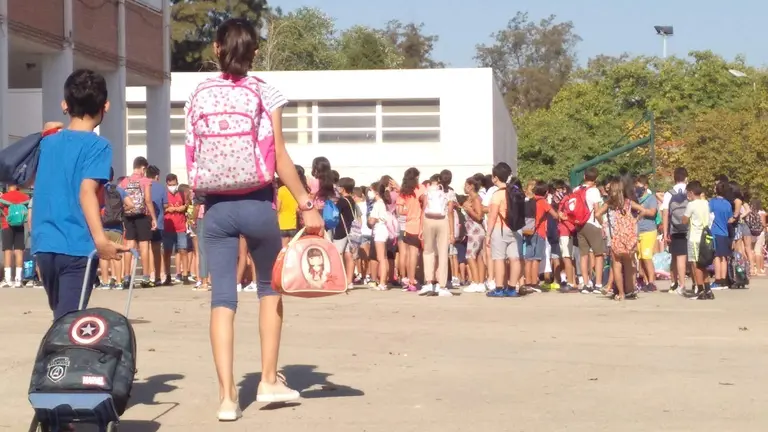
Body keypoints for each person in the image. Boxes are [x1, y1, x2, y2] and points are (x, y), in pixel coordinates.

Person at [184, 18, 323, 421]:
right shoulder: (266, 91)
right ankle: (267, 380)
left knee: (222, 299)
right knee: (269, 289)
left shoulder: (198, 93)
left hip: (217, 208)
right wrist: (304, 202)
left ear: (216, 49)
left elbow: (192, 149)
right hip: (260, 204)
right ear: (255, 51)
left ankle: (227, 398)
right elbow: (279, 155)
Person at [32, 68, 126, 319]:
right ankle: (59, 359)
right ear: (105, 105)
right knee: (67, 325)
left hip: (44, 245)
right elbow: (87, 192)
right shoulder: (99, 145)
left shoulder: (47, 141)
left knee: (61, 317)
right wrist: (100, 240)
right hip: (76, 247)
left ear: (66, 105)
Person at [485, 163, 523, 298]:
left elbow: (493, 216)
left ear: (495, 178)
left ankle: (499, 288)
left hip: (500, 229)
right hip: (515, 228)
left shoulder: (497, 195)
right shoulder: (514, 191)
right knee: (515, 259)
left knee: (499, 259)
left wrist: (488, 234)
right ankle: (512, 288)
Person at [119, 156, 157, 289]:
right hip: (142, 216)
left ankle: (127, 277)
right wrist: (153, 218)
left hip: (128, 216)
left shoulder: (124, 181)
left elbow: (120, 199)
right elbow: (147, 200)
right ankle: (146, 277)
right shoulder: (145, 181)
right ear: (143, 167)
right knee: (144, 246)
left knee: (129, 246)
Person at [419, 170, 455, 297]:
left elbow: (424, 207)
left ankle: (429, 282)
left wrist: (420, 228)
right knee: (443, 252)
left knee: (428, 251)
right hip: (443, 221)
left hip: (428, 220)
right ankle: (442, 285)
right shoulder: (450, 192)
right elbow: (450, 212)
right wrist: (452, 233)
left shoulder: (429, 189)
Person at [97, 168, 134, 290]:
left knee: (103, 255)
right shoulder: (119, 190)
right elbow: (131, 205)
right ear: (112, 177)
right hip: (117, 227)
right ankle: (118, 281)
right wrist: (120, 212)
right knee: (117, 254)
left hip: (102, 226)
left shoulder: (99, 190)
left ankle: (105, 282)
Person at [575, 167, 606, 293]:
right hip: (592, 224)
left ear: (584, 177)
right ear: (596, 179)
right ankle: (598, 284)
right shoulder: (594, 191)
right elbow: (597, 210)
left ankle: (586, 284)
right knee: (599, 255)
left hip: (579, 225)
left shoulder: (576, 190)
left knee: (584, 255)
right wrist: (602, 224)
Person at [681, 181, 712, 299]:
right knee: (704, 265)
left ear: (691, 192)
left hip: (694, 237)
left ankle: (700, 289)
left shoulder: (691, 204)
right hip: (705, 236)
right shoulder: (706, 203)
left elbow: (684, 220)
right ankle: (708, 289)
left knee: (696, 265)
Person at [661, 167, 689, 294]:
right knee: (688, 257)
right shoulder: (690, 192)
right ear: (686, 178)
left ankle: (675, 282)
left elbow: (665, 213)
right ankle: (693, 283)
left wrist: (665, 233)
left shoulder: (669, 194)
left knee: (676, 257)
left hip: (675, 229)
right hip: (689, 229)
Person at [397, 168, 423, 292]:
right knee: (414, 254)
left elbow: (399, 211)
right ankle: (413, 280)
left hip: (406, 225)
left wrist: (407, 211)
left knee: (406, 254)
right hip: (418, 225)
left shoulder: (403, 192)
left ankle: (407, 279)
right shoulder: (419, 188)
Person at [0, 184, 31, 287]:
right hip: (20, 225)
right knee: (19, 251)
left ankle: (8, 279)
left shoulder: (4, 197)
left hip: (6, 225)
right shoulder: (24, 197)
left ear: (8, 186)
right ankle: (18, 279)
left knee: (8, 251)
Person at [163, 174, 189, 285]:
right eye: (170, 185)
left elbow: (186, 205)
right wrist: (170, 209)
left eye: (174, 184)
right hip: (168, 227)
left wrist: (179, 208)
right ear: (167, 184)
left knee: (183, 250)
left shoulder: (181, 193)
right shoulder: (164, 194)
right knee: (167, 252)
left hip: (180, 227)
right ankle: (168, 275)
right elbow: (162, 208)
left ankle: (185, 275)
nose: (172, 186)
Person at [462, 177, 487, 293]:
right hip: (472, 230)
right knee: (478, 257)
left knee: (470, 256)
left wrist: (469, 210)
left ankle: (476, 282)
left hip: (475, 231)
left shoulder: (476, 198)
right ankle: (480, 282)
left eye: (466, 184)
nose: (464, 187)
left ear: (471, 186)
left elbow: (479, 216)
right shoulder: (470, 198)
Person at [635, 175, 658, 291]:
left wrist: (643, 211)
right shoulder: (636, 198)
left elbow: (653, 212)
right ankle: (643, 279)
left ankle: (652, 282)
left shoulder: (651, 198)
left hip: (649, 230)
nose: (637, 188)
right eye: (636, 186)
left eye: (640, 186)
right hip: (638, 231)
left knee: (647, 256)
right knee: (640, 257)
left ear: (645, 186)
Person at [709, 182, 733, 289]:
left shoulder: (712, 202)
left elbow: (708, 215)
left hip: (715, 231)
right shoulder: (727, 204)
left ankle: (717, 280)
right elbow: (729, 219)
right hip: (725, 232)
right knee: (724, 257)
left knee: (716, 256)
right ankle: (723, 280)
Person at [146, 165, 167, 286]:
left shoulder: (143, 185)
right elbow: (165, 205)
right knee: (156, 250)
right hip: (158, 223)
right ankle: (158, 276)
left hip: (143, 221)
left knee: (145, 249)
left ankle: (148, 275)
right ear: (157, 176)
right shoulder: (161, 187)